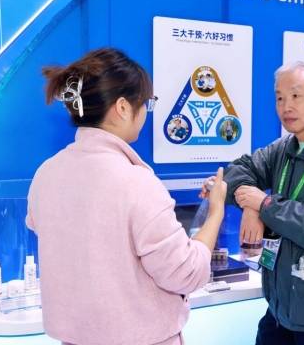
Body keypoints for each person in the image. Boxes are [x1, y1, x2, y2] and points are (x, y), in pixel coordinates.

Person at [26, 48, 227, 345]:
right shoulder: (136, 182)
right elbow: (186, 273)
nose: (145, 112)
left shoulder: (46, 174)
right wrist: (216, 211)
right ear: (122, 107)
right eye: (145, 103)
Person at [202, 61, 304, 345]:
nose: (286, 106)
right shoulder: (283, 148)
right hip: (280, 310)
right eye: (279, 97)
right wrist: (251, 206)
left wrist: (265, 205)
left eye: (296, 95)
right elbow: (238, 172)